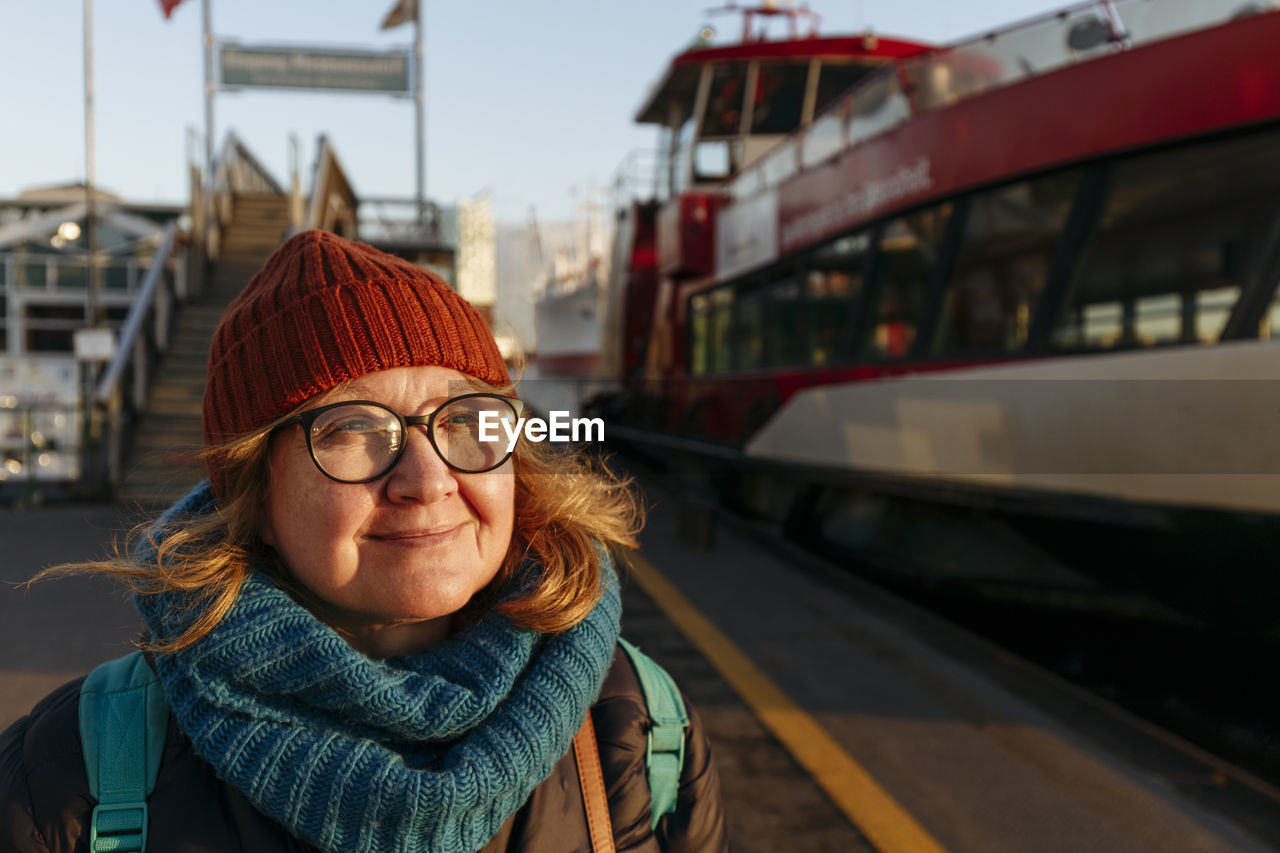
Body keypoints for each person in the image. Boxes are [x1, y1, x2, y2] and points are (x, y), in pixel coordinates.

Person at [0, 229, 727, 852]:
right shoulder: (70, 774)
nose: (428, 478)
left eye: (467, 418)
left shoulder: (640, 727)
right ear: (252, 495)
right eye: (352, 429)